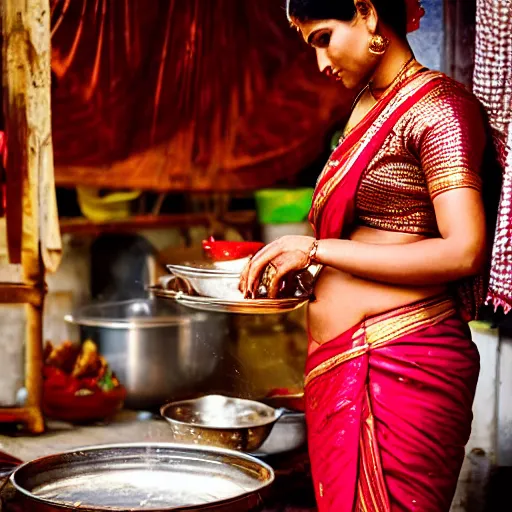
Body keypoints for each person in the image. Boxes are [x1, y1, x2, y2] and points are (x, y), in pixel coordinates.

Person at [239, 1, 494, 510]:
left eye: (323, 39)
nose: (320, 64)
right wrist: (312, 272)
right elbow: (364, 242)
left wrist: (315, 249)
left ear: (366, 12)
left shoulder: (438, 107)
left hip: (403, 366)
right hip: (347, 365)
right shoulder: (367, 106)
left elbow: (464, 249)